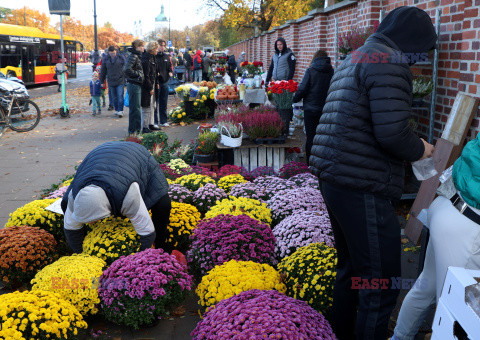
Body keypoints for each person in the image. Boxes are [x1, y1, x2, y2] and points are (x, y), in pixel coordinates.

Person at [309, 6, 437, 340]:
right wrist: (421, 148)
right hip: (361, 184)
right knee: (379, 285)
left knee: (351, 270)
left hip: (336, 177)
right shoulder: (391, 62)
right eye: (422, 50)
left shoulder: (358, 56)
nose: (419, 58)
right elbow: (393, 132)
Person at [392, 134, 480, 340]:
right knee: (456, 316)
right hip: (466, 228)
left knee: (427, 286)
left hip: (448, 206)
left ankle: (399, 337)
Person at [61, 141, 171, 253]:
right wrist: (82, 255)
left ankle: (161, 248)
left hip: (135, 155)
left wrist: (138, 260)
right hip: (97, 157)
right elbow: (71, 229)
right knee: (64, 204)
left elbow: (147, 232)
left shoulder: (128, 195)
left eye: (91, 220)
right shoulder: (73, 198)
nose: (90, 224)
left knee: (163, 204)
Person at [292, 50, 333, 164]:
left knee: (311, 137)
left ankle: (310, 163)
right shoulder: (331, 71)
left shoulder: (311, 70)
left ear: (315, 58)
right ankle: (323, 161)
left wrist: (294, 99)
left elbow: (303, 88)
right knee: (324, 137)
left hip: (311, 109)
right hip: (326, 109)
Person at [124, 39, 145, 135]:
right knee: (135, 109)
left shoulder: (136, 56)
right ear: (136, 47)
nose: (143, 48)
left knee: (135, 109)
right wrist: (138, 74)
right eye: (141, 46)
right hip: (134, 84)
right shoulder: (134, 56)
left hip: (135, 84)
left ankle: (134, 131)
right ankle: (134, 132)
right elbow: (126, 69)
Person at [100, 46, 126, 118]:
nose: (112, 55)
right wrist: (102, 81)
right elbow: (103, 70)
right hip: (111, 80)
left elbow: (126, 67)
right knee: (114, 97)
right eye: (111, 53)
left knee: (120, 96)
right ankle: (117, 109)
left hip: (120, 80)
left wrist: (125, 78)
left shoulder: (121, 57)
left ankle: (120, 110)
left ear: (116, 51)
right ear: (108, 52)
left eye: (113, 53)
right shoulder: (106, 59)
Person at [140, 41, 159, 134]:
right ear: (152, 49)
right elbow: (146, 75)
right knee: (146, 106)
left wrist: (156, 83)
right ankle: (144, 126)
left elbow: (155, 72)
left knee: (152, 105)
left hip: (152, 84)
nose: (157, 50)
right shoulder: (146, 59)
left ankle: (150, 124)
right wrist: (150, 87)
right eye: (156, 48)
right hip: (147, 86)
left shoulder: (152, 58)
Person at [155, 39, 173, 127]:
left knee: (164, 102)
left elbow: (169, 67)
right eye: (161, 45)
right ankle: (155, 122)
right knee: (155, 103)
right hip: (157, 82)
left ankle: (163, 120)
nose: (162, 47)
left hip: (165, 82)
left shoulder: (166, 56)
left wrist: (170, 72)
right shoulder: (154, 56)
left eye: (163, 45)